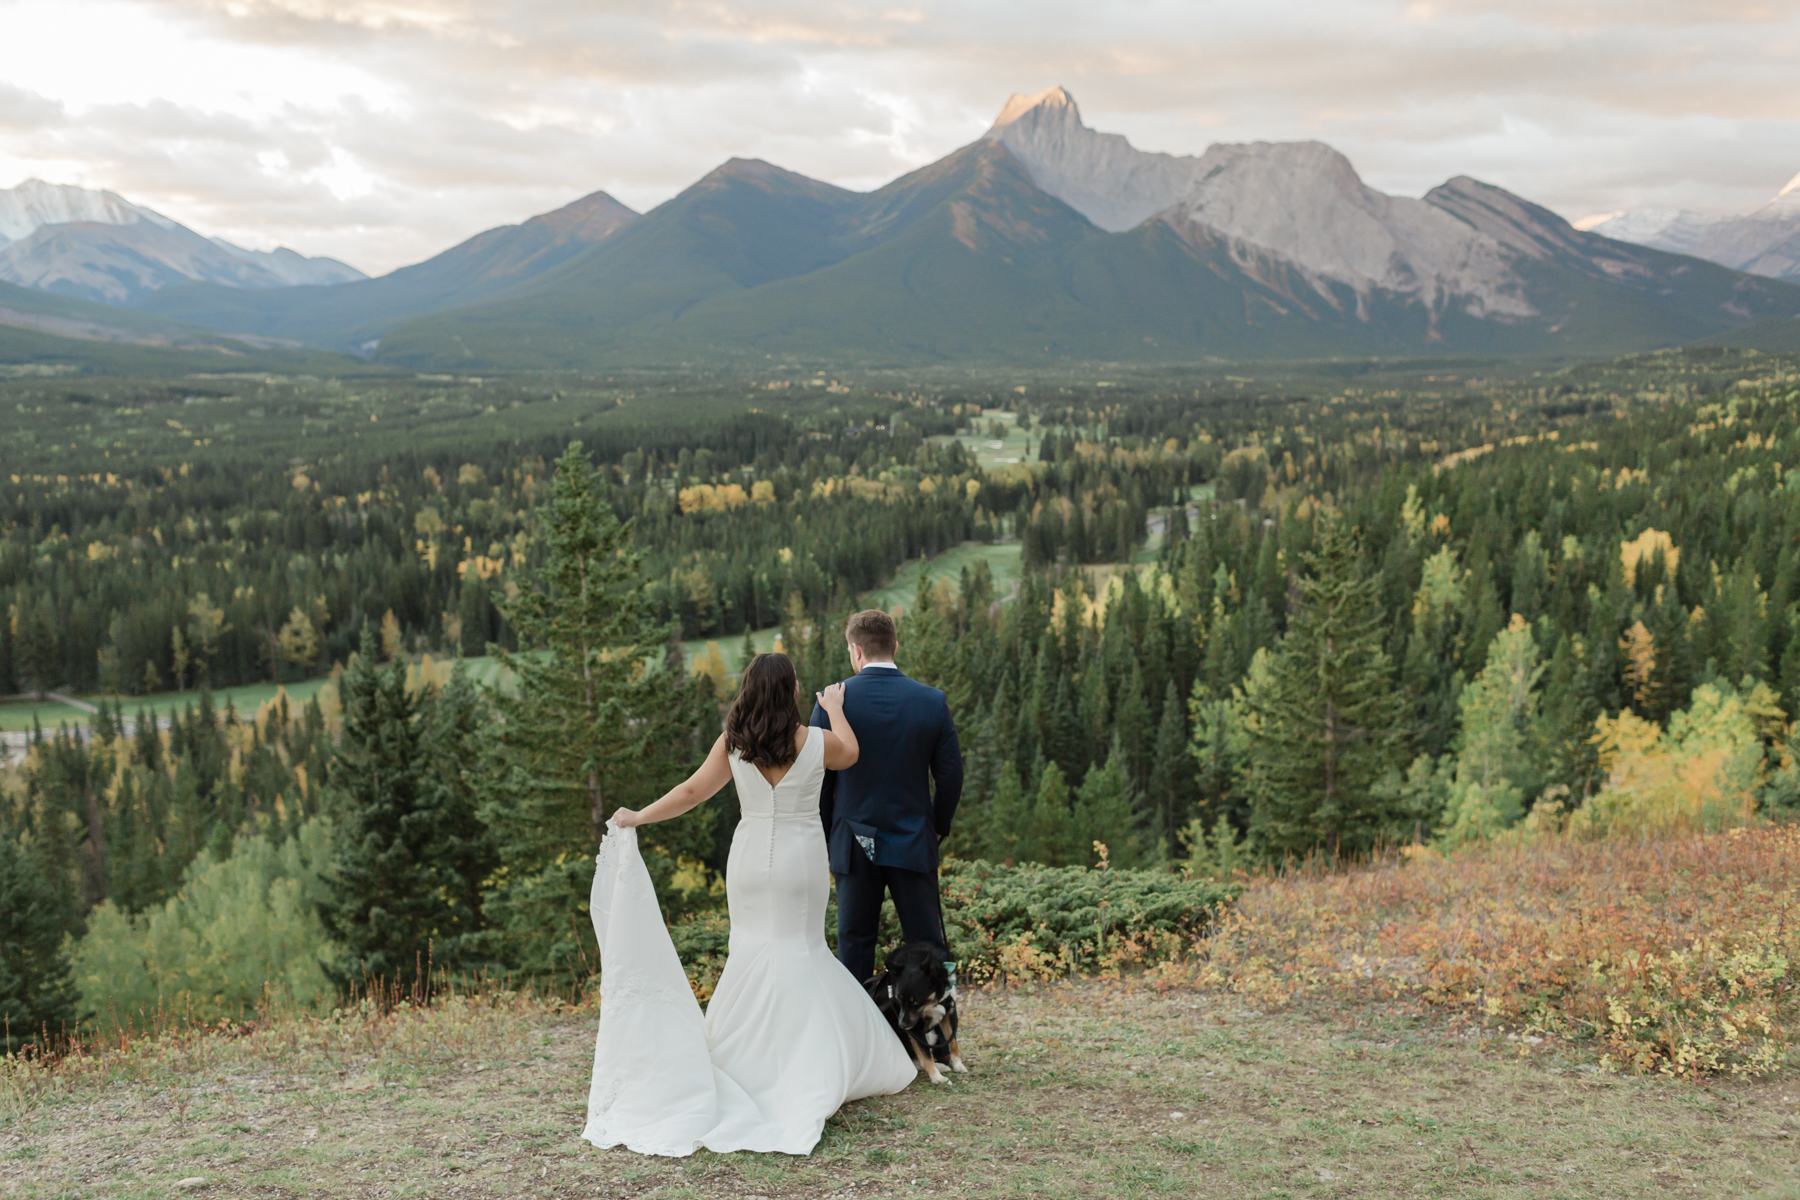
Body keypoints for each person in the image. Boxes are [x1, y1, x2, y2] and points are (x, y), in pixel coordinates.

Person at [583, 653, 914, 1157]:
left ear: (748, 690)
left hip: (749, 858)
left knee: (753, 950)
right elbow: (851, 752)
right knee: (801, 949)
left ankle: (741, 1057)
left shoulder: (733, 744)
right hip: (801, 861)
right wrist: (835, 705)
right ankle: (806, 1061)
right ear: (791, 690)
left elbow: (692, 791)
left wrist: (639, 816)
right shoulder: (814, 740)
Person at [809, 609, 963, 985]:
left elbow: (818, 781)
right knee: (927, 945)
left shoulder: (833, 704)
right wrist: (937, 827)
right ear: (895, 645)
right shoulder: (931, 701)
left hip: (852, 841)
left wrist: (827, 835)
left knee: (855, 945)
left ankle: (859, 1037)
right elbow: (951, 776)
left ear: (855, 651)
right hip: (913, 837)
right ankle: (935, 1038)